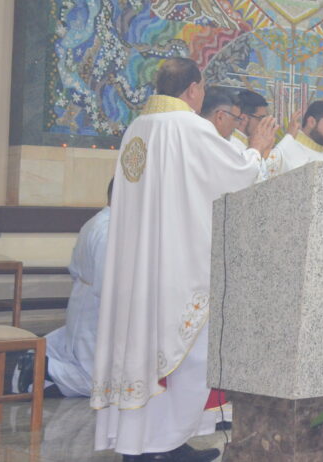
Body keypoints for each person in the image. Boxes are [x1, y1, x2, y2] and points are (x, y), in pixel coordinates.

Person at [92, 57, 276, 461]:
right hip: (176, 265)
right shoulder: (190, 127)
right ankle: (159, 446)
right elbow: (235, 177)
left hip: (139, 265)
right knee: (189, 358)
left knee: (144, 353)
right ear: (194, 89)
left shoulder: (137, 129)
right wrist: (258, 150)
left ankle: (146, 443)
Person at [13, 180, 115, 399]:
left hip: (87, 303)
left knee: (93, 366)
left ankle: (42, 365)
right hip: (98, 309)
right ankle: (44, 368)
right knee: (103, 383)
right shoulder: (109, 231)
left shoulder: (101, 222)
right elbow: (110, 284)